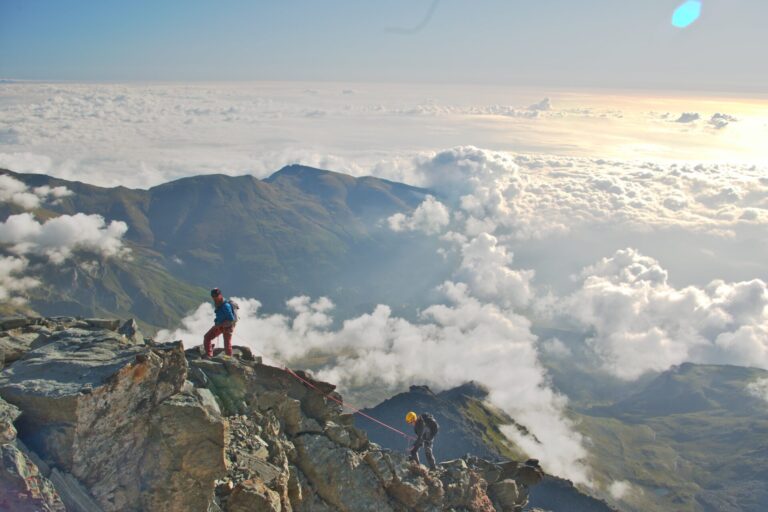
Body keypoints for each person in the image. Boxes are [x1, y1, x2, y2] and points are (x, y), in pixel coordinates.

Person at [203, 288, 236, 357]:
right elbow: (220, 315)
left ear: (220, 295)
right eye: (213, 296)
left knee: (227, 344)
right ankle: (209, 355)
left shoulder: (225, 306)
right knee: (207, 337)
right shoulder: (218, 303)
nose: (214, 298)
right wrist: (216, 321)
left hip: (227, 327)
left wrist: (219, 325)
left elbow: (231, 319)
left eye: (216, 296)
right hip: (220, 326)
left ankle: (229, 360)